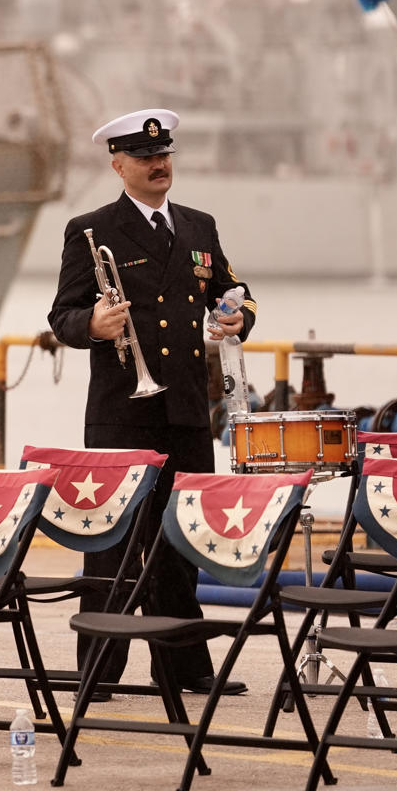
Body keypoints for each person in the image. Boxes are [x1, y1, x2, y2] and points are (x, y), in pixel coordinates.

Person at [48, 108, 255, 698]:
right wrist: (93, 321)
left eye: (164, 156)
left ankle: (186, 667)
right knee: (110, 545)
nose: (159, 164)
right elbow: (61, 316)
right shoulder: (92, 229)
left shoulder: (198, 226)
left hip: (187, 409)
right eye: (144, 158)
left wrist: (240, 317)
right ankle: (99, 671)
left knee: (181, 543)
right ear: (119, 165)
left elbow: (233, 295)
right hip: (123, 411)